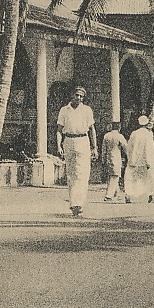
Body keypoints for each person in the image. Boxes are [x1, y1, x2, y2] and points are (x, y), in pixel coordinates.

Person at [56, 85, 98, 216]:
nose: (78, 98)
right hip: (68, 141)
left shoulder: (86, 110)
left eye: (81, 96)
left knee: (82, 173)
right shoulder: (64, 110)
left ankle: (79, 203)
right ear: (72, 95)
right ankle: (73, 204)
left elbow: (92, 130)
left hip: (82, 141)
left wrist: (94, 147)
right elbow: (58, 130)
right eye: (76, 95)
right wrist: (59, 145)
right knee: (71, 173)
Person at [125, 115, 154, 203]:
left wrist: (130, 158)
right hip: (145, 160)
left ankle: (128, 195)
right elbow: (149, 148)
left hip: (134, 160)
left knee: (131, 178)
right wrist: (149, 161)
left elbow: (129, 147)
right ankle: (151, 195)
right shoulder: (148, 134)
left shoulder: (134, 133)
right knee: (150, 178)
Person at [101, 121, 127, 202]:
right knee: (115, 176)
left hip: (108, 157)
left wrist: (103, 159)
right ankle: (108, 195)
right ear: (119, 127)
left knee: (112, 176)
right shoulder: (119, 136)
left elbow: (103, 149)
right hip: (116, 157)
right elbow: (125, 147)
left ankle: (117, 193)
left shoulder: (107, 136)